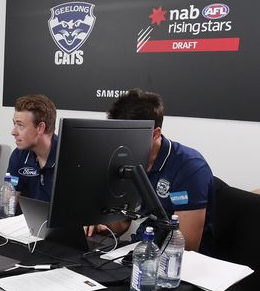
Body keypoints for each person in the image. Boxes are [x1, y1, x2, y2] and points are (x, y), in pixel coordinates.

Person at [88, 89, 214, 252]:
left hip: (176, 264)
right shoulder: (125, 162)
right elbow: (121, 225)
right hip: (137, 252)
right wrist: (102, 223)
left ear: (155, 134)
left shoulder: (190, 168)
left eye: (127, 137)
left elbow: (186, 247)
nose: (119, 143)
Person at [6, 94, 58, 202]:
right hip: (30, 218)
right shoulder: (18, 155)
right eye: (14, 124)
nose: (13, 132)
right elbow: (9, 201)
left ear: (40, 128)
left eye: (20, 125)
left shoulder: (68, 157)